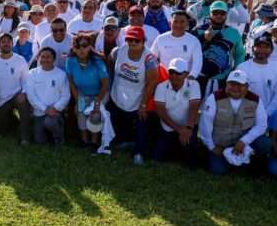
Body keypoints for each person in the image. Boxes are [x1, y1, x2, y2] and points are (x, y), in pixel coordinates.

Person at [199, 69, 268, 175]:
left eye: (240, 85)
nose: (235, 88)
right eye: (232, 84)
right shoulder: (214, 97)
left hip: (244, 143)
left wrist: (244, 141)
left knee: (265, 143)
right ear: (226, 84)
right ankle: (232, 161)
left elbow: (262, 125)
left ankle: (249, 160)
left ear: (247, 86)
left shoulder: (255, 99)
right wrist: (211, 146)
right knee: (218, 171)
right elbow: (205, 124)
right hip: (220, 144)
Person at [109, 27, 158, 165]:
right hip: (117, 95)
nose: (132, 43)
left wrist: (143, 104)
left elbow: (152, 82)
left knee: (141, 124)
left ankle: (139, 152)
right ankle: (122, 141)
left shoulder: (149, 59)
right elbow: (110, 62)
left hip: (138, 98)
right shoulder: (118, 51)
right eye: (129, 39)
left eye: (136, 40)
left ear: (143, 41)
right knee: (118, 120)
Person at [153, 58, 201, 168]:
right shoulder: (161, 86)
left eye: (178, 73)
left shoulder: (194, 85)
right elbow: (161, 112)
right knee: (158, 158)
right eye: (171, 72)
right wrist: (180, 130)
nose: (174, 76)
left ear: (186, 74)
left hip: (187, 127)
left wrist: (188, 128)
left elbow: (194, 108)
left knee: (192, 164)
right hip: (167, 128)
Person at [0, 33, 31, 144]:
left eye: (8, 41)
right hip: (0, 100)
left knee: (24, 103)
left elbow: (26, 80)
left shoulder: (20, 60)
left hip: (16, 95)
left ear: (12, 43)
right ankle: (12, 121)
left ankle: (24, 137)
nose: (6, 44)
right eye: (3, 41)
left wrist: (24, 93)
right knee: (2, 130)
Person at [66, 33, 109, 150]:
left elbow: (105, 84)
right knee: (80, 111)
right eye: (77, 46)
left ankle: (94, 141)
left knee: (95, 114)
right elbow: (71, 82)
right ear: (74, 49)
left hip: (100, 93)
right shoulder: (70, 61)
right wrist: (78, 100)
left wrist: (97, 101)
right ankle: (84, 140)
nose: (81, 49)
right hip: (82, 93)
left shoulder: (98, 61)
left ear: (90, 47)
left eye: (84, 46)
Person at [194, 0, 246, 96]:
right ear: (210, 14)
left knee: (219, 104)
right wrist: (203, 38)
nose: (219, 15)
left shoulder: (234, 33)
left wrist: (235, 73)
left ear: (226, 15)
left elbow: (240, 54)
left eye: (222, 13)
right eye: (215, 13)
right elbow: (190, 51)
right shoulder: (199, 30)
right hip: (199, 77)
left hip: (222, 79)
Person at [25, 47, 70, 145]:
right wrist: (45, 109)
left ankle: (59, 138)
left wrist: (55, 108)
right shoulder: (32, 73)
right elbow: (31, 96)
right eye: (43, 57)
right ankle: (49, 134)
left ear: (54, 59)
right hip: (39, 112)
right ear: (39, 58)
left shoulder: (61, 74)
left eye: (48, 57)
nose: (45, 59)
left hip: (55, 112)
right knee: (39, 140)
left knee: (50, 123)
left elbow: (66, 96)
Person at [236, 34, 277, 115]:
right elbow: (236, 92)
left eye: (266, 47)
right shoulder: (242, 67)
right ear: (252, 49)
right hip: (244, 114)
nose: (262, 50)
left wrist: (265, 113)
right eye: (259, 46)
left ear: (272, 50)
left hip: (269, 115)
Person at [150, 10, 203, 79]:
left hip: (185, 80)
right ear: (170, 23)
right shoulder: (160, 39)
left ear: (187, 24)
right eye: (175, 21)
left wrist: (191, 77)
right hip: (164, 79)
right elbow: (151, 58)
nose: (178, 25)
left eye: (182, 22)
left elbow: (197, 62)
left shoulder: (194, 41)